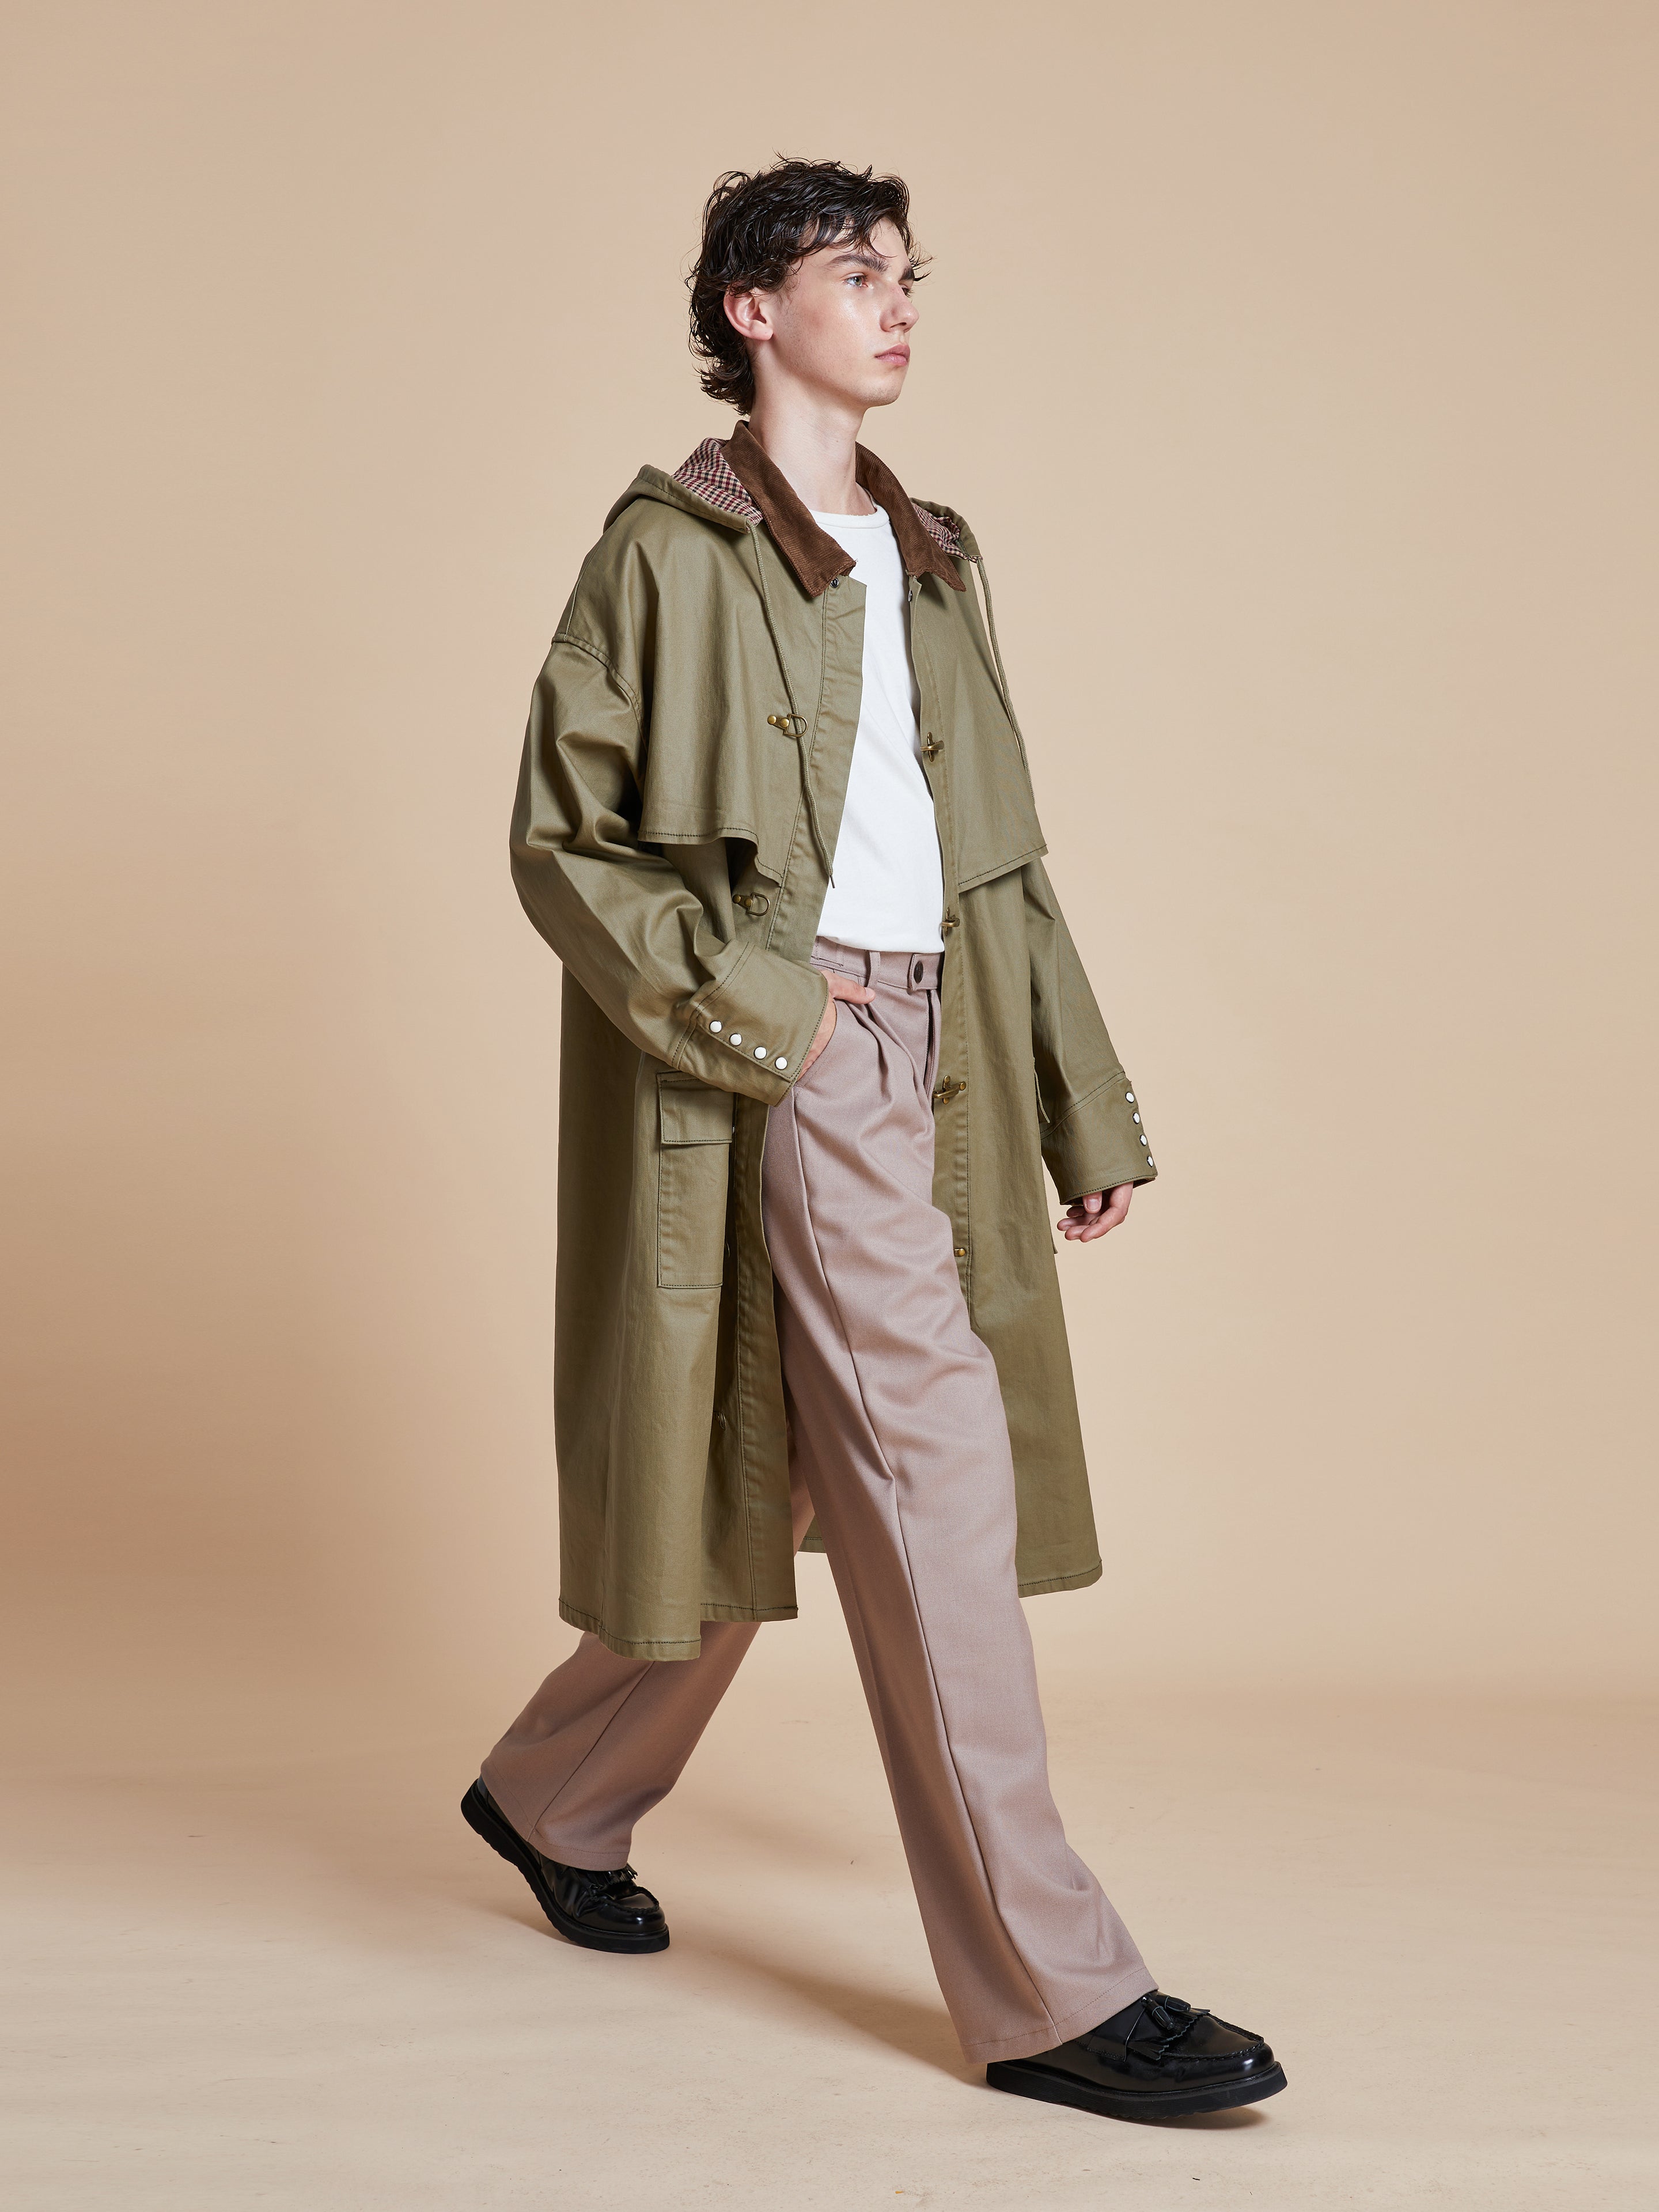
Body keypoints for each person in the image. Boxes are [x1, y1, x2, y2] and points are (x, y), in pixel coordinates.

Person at [463, 157, 1285, 2124]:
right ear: (753, 311)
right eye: (856, 271)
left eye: (910, 274)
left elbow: (999, 860)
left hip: (950, 1042)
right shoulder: (668, 552)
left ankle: (556, 1789)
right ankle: (1051, 1987)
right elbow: (564, 840)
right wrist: (771, 1009)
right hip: (793, 1036)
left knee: (794, 1466)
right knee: (932, 1472)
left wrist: (1076, 1094)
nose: (898, 303)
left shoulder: (931, 552)